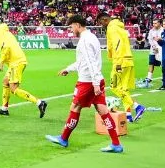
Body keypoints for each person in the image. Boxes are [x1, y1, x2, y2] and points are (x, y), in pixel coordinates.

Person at [45, 15, 124, 153]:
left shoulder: (85, 41)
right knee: (103, 111)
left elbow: (90, 63)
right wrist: (68, 69)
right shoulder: (91, 37)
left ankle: (63, 138)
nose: (71, 30)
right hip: (96, 79)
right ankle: (116, 144)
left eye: (71, 27)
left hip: (88, 82)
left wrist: (94, 84)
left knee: (75, 107)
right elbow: (84, 62)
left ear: (77, 25)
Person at [0, 20, 47, 118]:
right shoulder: (2, 29)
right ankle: (4, 109)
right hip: (16, 61)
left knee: (13, 89)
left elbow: (6, 47)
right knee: (5, 82)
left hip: (16, 62)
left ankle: (39, 102)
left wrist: (1, 62)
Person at [104, 15, 143, 122]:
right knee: (124, 89)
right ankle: (128, 114)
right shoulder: (121, 28)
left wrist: (117, 62)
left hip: (120, 61)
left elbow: (118, 45)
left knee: (114, 87)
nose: (100, 24)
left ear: (105, 20)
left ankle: (137, 106)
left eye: (101, 22)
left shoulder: (111, 28)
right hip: (128, 60)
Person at [143, 20, 163, 87]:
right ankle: (149, 77)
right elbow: (150, 39)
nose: (154, 24)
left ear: (159, 23)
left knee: (162, 63)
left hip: (161, 49)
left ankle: (163, 77)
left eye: (155, 23)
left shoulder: (163, 30)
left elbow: (163, 39)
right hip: (153, 49)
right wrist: (153, 46)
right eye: (153, 23)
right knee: (151, 63)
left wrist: (158, 46)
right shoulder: (151, 31)